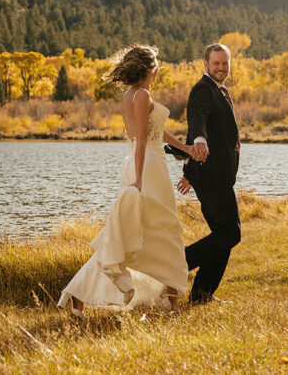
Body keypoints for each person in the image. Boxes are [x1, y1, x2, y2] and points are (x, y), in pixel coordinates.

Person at [57, 46, 198, 316]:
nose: (158, 71)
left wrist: (186, 148)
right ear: (150, 69)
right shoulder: (142, 94)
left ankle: (166, 293)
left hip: (137, 164)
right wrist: (139, 180)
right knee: (165, 230)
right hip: (147, 167)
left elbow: (155, 131)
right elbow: (144, 140)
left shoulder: (130, 95)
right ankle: (168, 292)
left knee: (133, 234)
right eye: (157, 66)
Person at [175, 42, 241, 304]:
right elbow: (197, 120)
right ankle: (178, 264)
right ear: (206, 65)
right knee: (230, 234)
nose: (221, 67)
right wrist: (200, 140)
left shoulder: (220, 91)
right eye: (216, 63)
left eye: (225, 63)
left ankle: (202, 294)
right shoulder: (202, 90)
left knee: (223, 236)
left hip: (220, 176)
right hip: (211, 177)